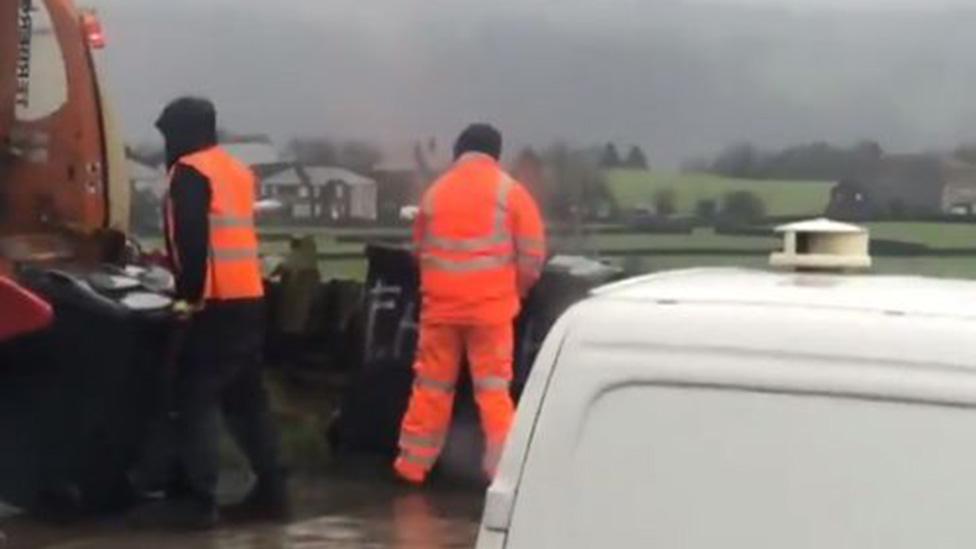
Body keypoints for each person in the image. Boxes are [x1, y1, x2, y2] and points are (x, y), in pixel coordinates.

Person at [135, 97, 286, 528]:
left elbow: (194, 242)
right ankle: (273, 490)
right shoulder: (235, 170)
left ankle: (197, 500)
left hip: (212, 304)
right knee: (246, 400)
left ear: (182, 132)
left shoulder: (189, 173)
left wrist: (185, 298)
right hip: (249, 299)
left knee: (194, 400)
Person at [394, 124, 547, 484]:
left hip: (441, 310)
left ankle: (412, 466)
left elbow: (419, 252)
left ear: (458, 151)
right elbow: (532, 255)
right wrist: (517, 290)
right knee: (493, 392)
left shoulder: (435, 193)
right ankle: (503, 472)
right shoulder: (511, 193)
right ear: (495, 153)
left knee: (430, 387)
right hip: (491, 311)